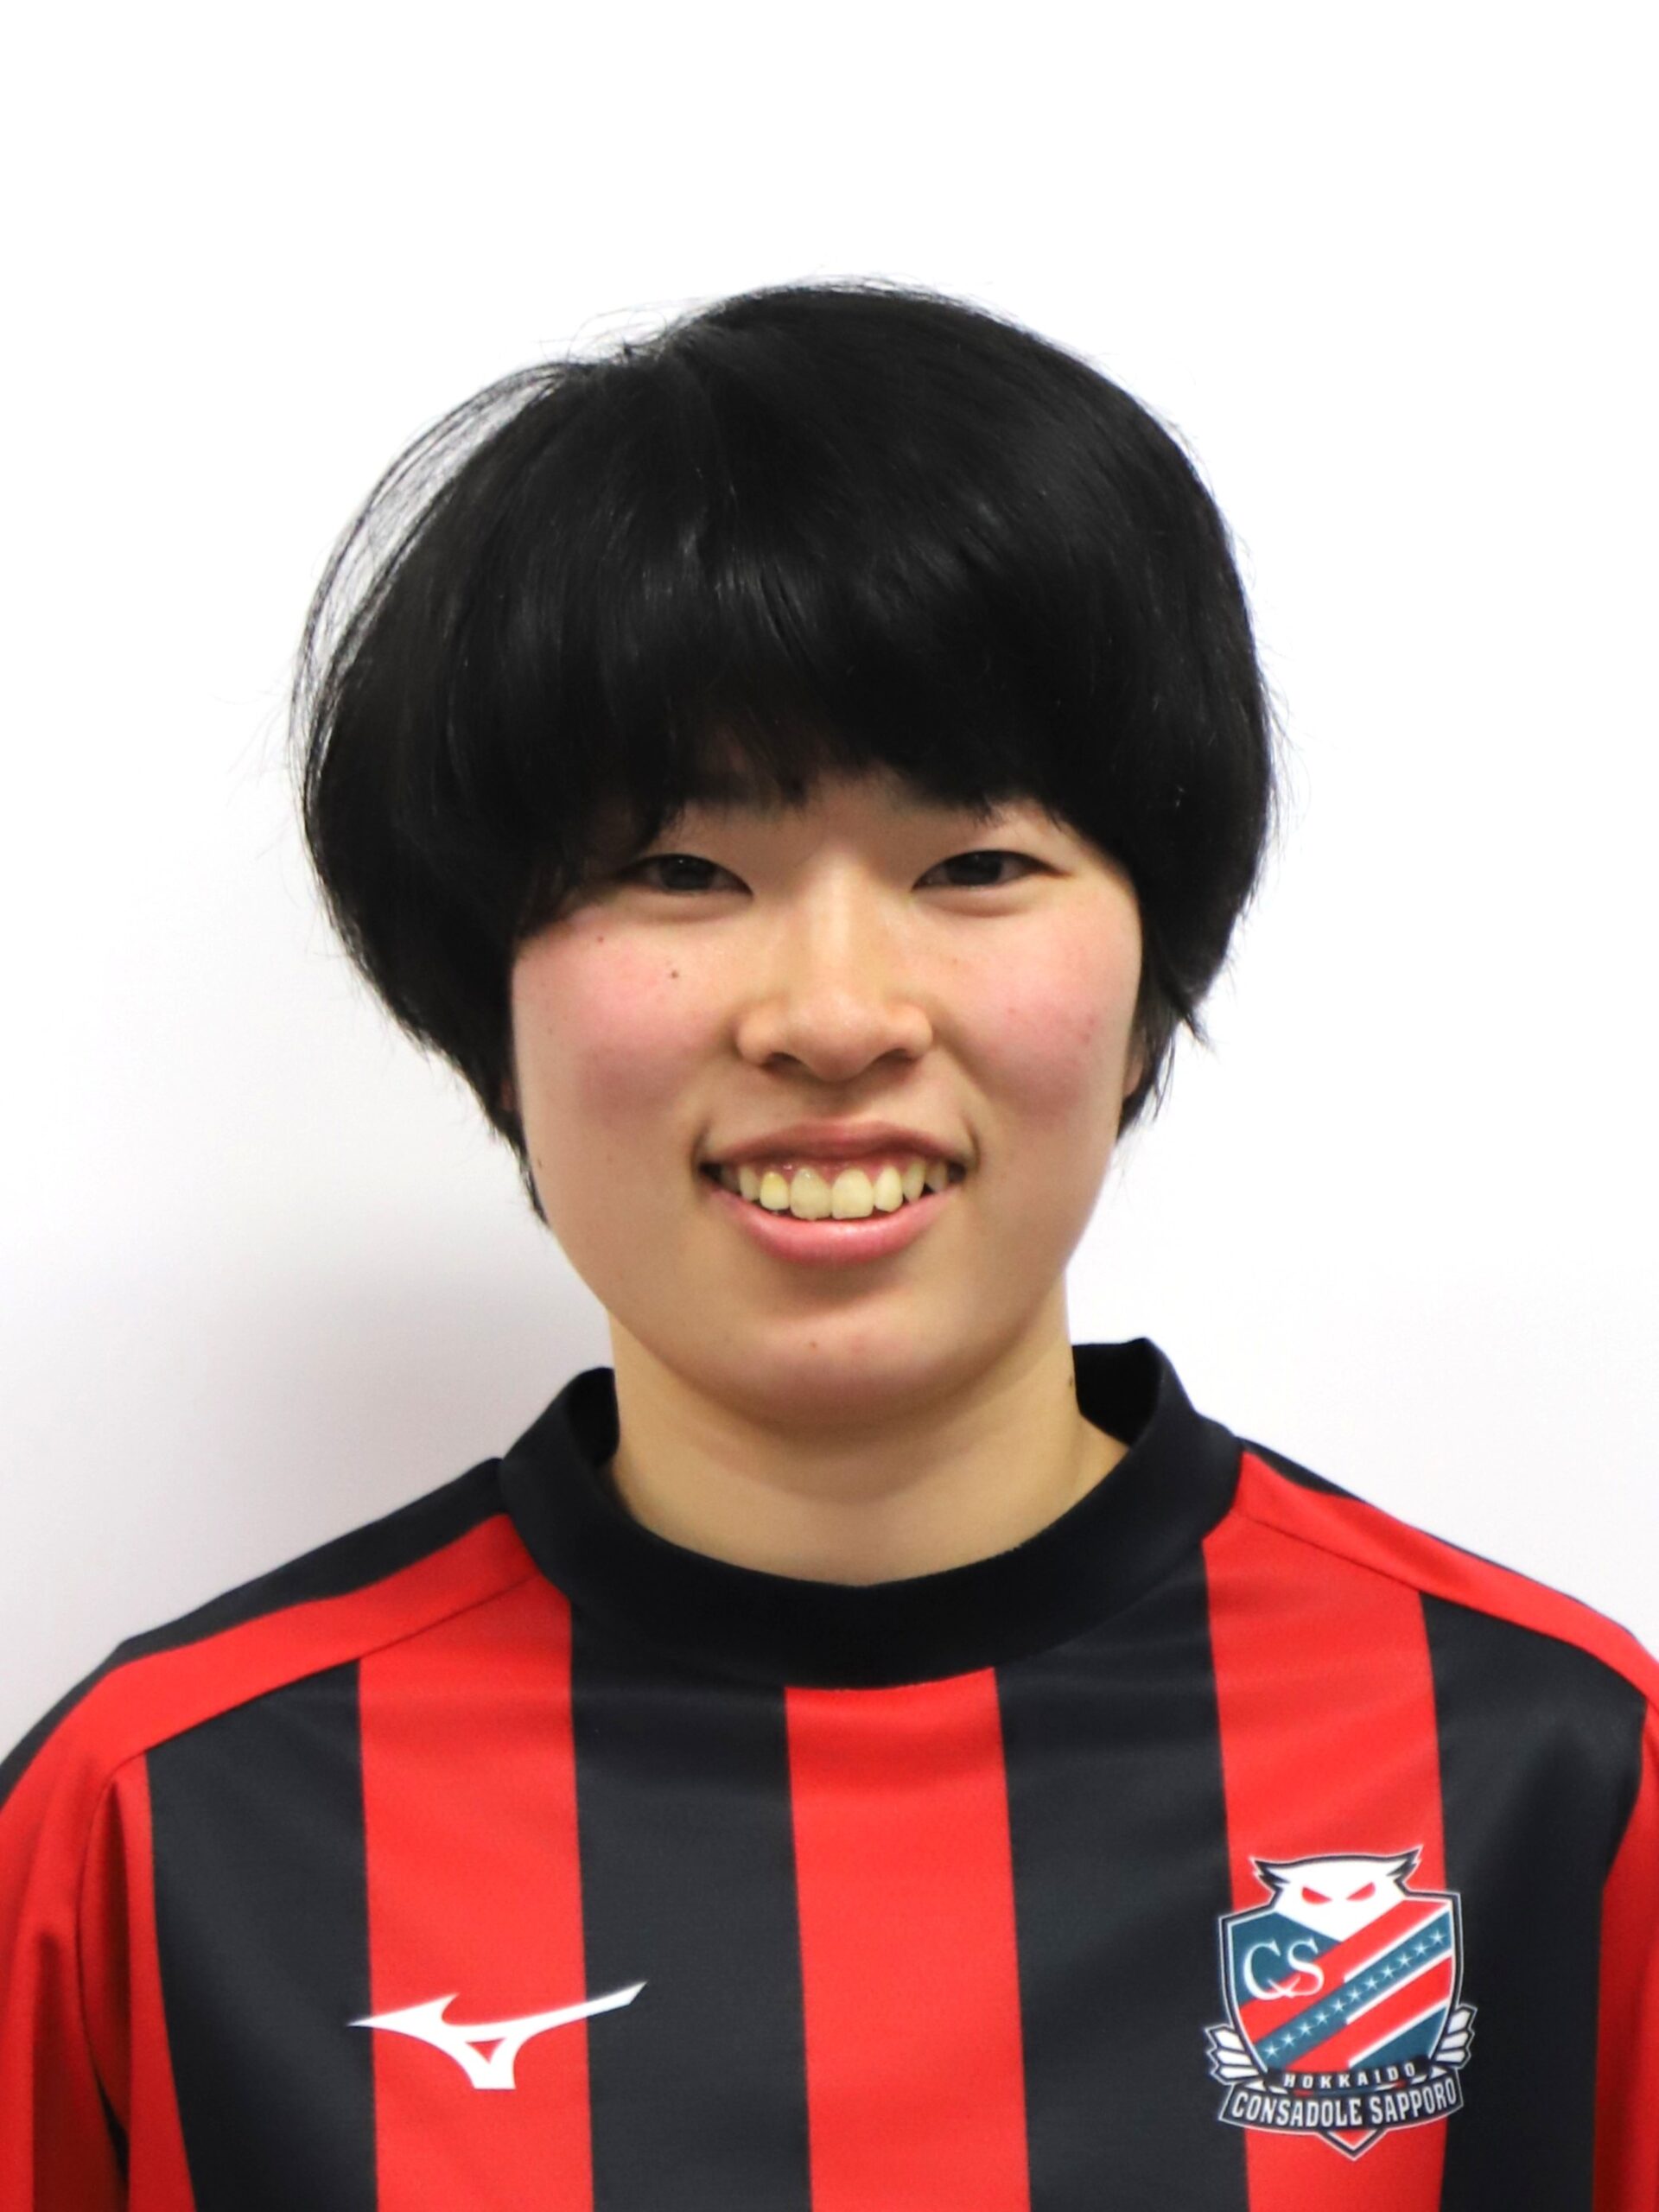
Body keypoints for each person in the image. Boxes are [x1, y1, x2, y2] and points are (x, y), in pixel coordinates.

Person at [1, 279, 1654, 2211]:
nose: (837, 1015)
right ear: (487, 1011)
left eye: (977, 864)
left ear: (1149, 984)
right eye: (681, 869)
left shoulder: (1549, 1776)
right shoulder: (162, 1821)